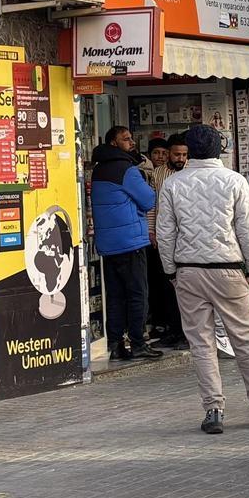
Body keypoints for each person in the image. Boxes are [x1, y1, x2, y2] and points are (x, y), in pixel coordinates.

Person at [155, 124, 249, 434]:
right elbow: (247, 231)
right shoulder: (234, 181)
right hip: (228, 269)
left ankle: (213, 411)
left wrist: (171, 270)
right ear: (219, 149)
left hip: (189, 269)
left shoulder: (173, 184)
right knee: (244, 338)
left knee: (201, 342)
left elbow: (165, 232)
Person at [91, 126, 162, 361]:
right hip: (130, 242)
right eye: (126, 139)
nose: (131, 142)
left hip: (108, 244)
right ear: (114, 143)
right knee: (137, 294)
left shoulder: (98, 170)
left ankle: (115, 343)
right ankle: (139, 342)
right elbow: (148, 199)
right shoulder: (127, 169)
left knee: (115, 294)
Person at [147, 133, 188, 348]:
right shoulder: (157, 174)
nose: (180, 158)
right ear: (169, 154)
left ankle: (185, 334)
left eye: (184, 154)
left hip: (187, 239)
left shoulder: (192, 173)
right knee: (166, 287)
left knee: (186, 288)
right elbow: (153, 206)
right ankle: (172, 330)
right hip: (164, 238)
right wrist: (151, 231)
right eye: (176, 154)